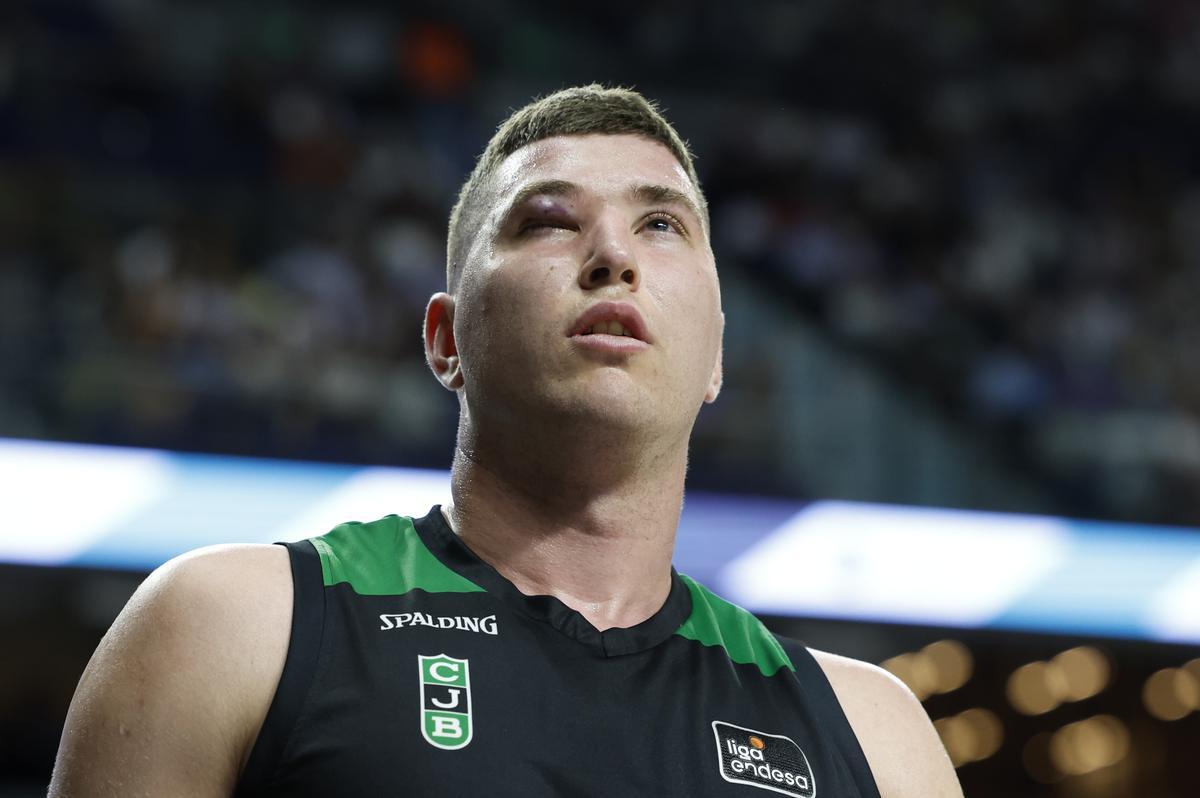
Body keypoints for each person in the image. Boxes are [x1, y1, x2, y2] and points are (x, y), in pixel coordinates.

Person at [49, 85, 962, 797]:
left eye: (660, 223)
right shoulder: (230, 626)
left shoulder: (873, 737)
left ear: (718, 353)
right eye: (550, 221)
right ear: (447, 340)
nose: (614, 255)